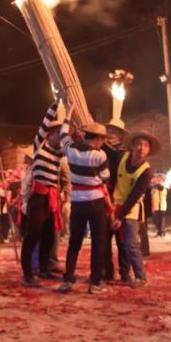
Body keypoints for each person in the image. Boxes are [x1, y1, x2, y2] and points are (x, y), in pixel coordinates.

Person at [58, 118, 110, 294]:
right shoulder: (100, 155)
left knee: (75, 241)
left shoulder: (70, 150)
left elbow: (63, 135)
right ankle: (94, 283)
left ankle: (68, 279)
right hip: (95, 201)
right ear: (98, 138)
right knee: (98, 241)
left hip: (77, 201)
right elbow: (105, 177)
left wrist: (67, 120)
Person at [20, 102, 65, 287]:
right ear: (50, 135)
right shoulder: (39, 146)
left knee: (49, 236)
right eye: (56, 134)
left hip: (52, 199)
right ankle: (28, 273)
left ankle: (46, 269)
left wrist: (70, 116)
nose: (59, 138)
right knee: (33, 235)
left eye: (61, 135)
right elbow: (44, 124)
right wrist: (56, 104)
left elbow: (76, 141)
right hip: (39, 198)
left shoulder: (59, 154)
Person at [110, 131, 158, 288]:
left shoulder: (146, 171)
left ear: (149, 150)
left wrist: (119, 217)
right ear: (132, 146)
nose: (141, 148)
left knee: (130, 243)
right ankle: (122, 273)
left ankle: (140, 276)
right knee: (118, 243)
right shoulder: (122, 157)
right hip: (112, 204)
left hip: (130, 209)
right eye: (138, 143)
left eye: (145, 145)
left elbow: (134, 196)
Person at [101, 118, 127, 282]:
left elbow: (114, 155)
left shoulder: (124, 153)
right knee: (104, 237)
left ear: (120, 135)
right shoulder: (101, 151)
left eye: (113, 132)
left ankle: (124, 271)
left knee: (122, 239)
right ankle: (107, 271)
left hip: (120, 199)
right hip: (104, 197)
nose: (110, 135)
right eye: (108, 131)